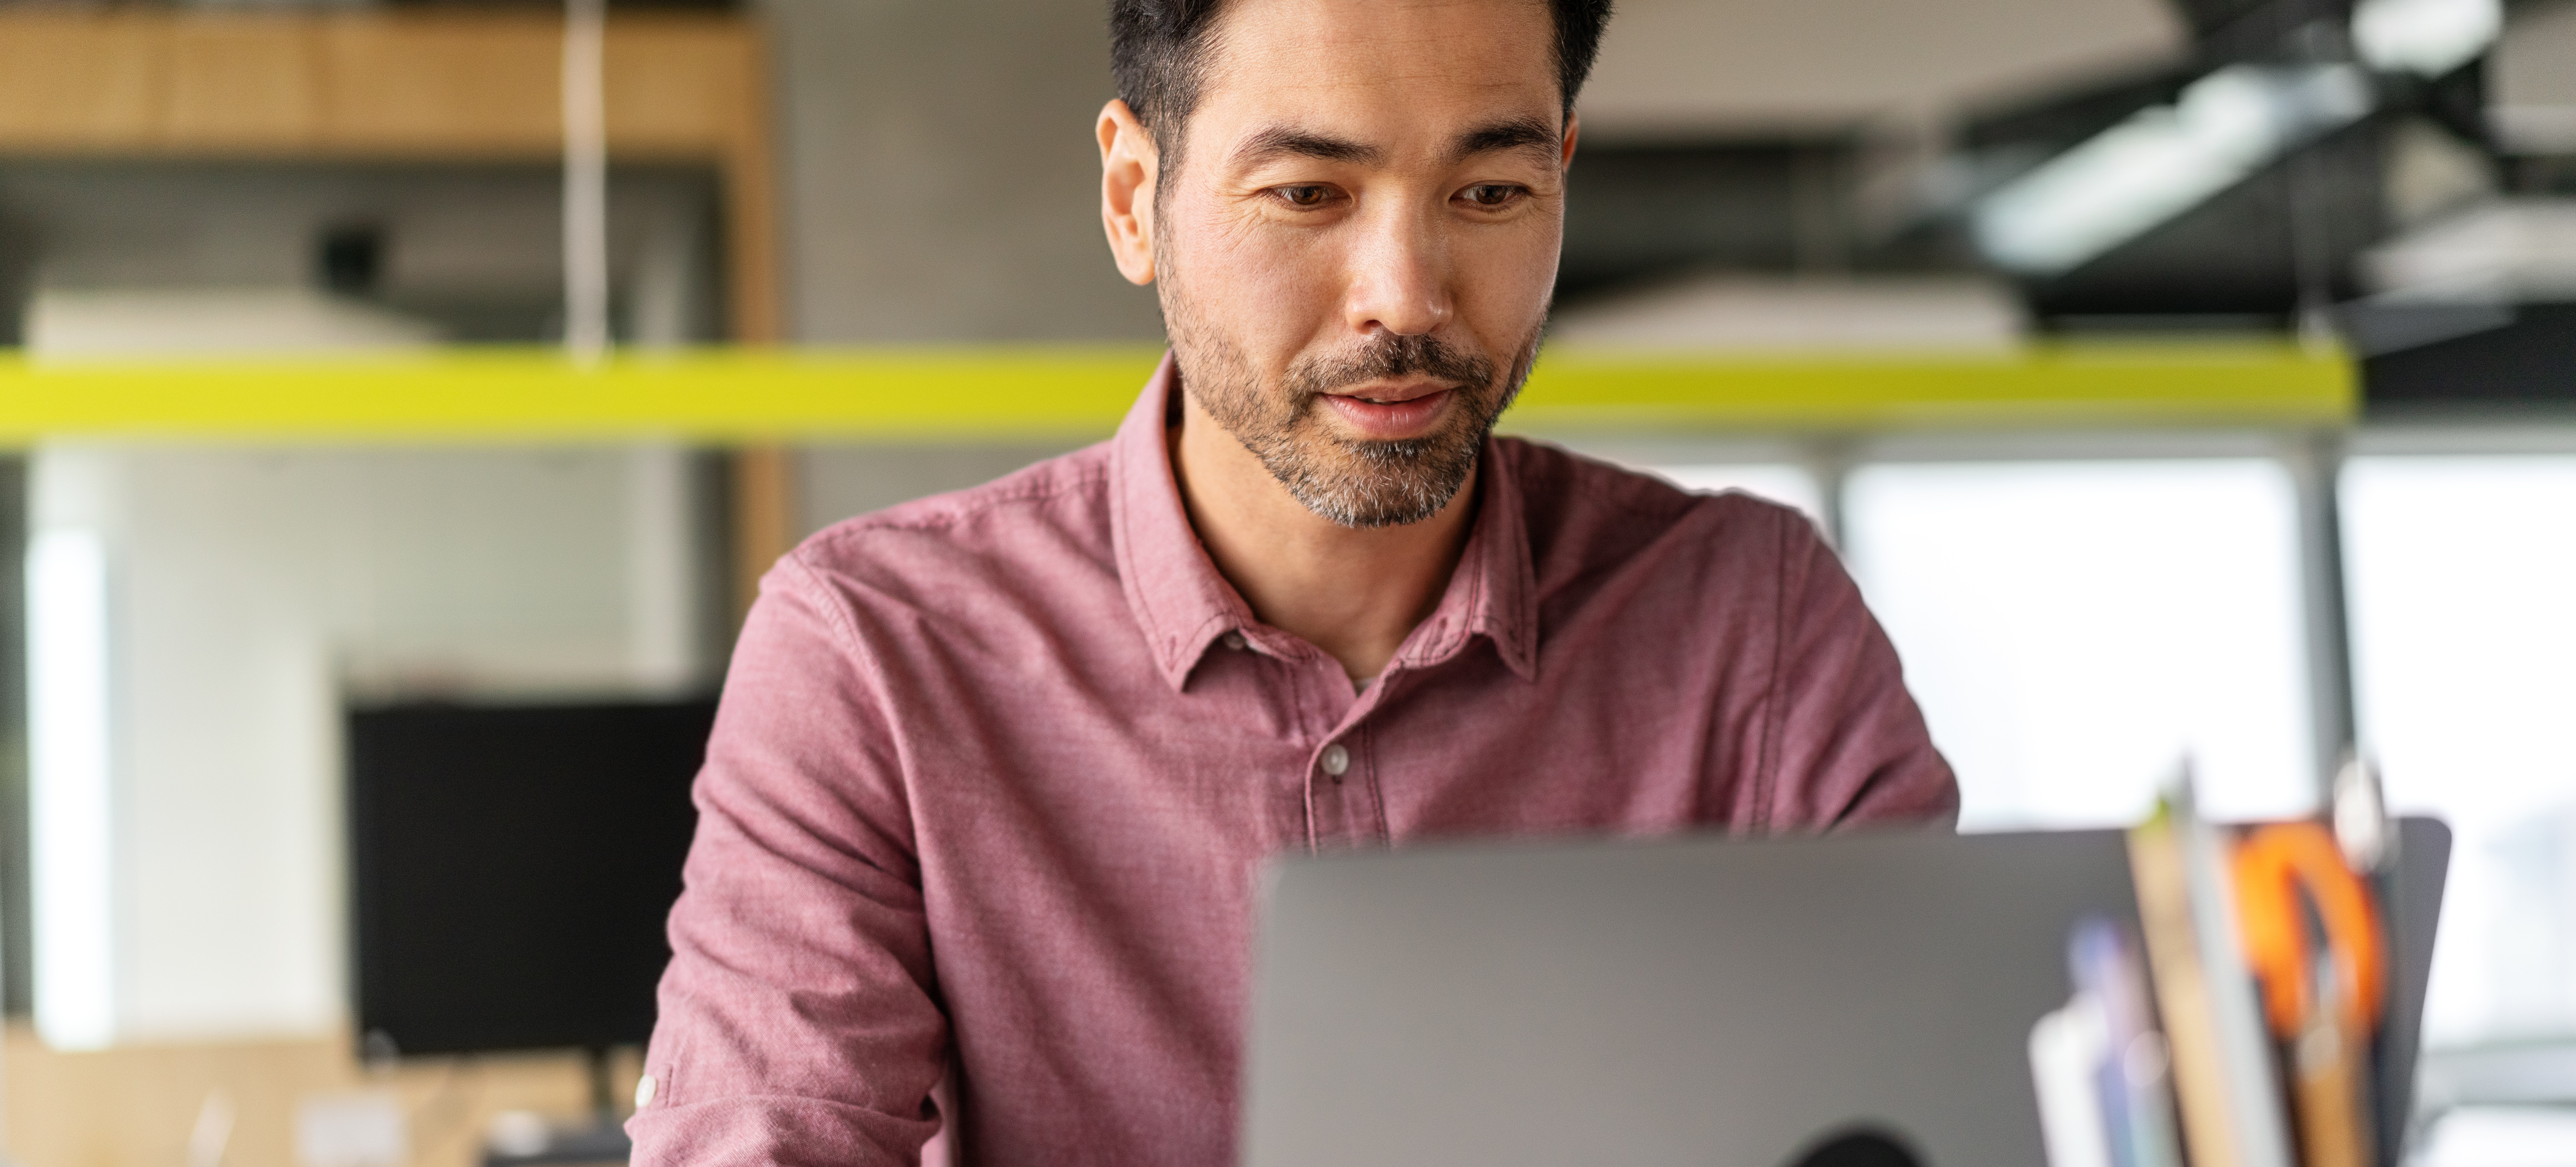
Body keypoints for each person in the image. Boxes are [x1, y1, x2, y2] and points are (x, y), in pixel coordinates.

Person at [628, 1, 1957, 1164]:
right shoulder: (871, 654)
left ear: (1559, 177)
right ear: (1131, 199)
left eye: (1487, 194)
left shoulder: (1754, 624)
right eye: (1309, 194)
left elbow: (1944, 1109)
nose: (1406, 297)